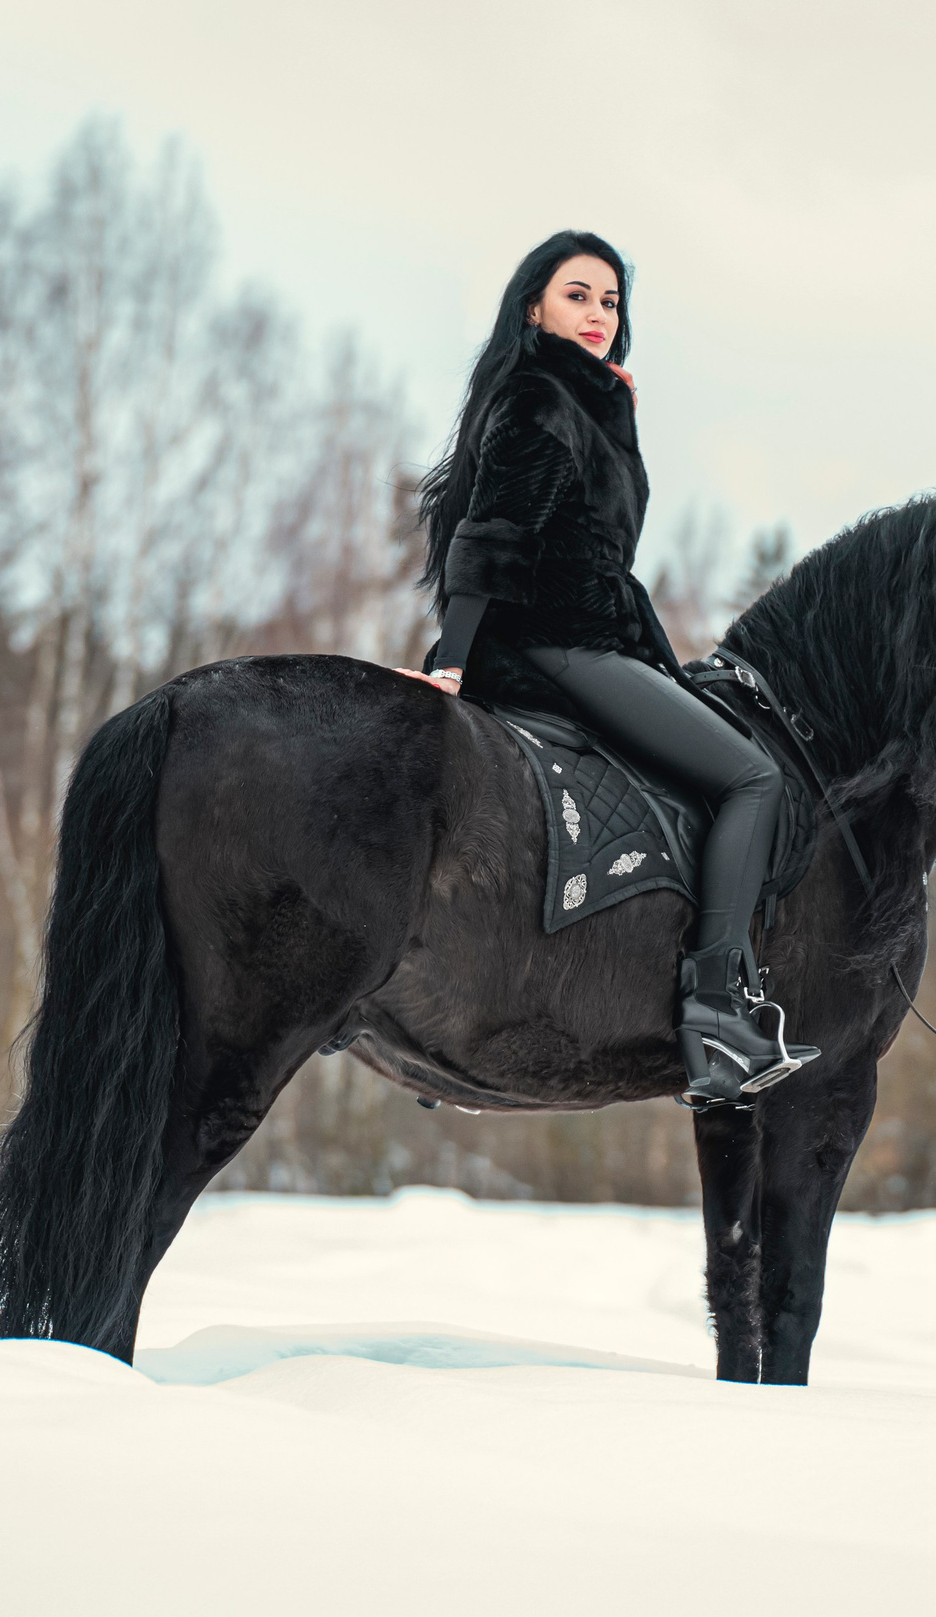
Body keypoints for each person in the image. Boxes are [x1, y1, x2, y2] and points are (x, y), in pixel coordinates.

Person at [401, 230, 817, 1104]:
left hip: (595, 635)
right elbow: (493, 535)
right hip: (559, 645)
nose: (597, 315)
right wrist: (450, 662)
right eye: (577, 295)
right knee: (752, 778)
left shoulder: (586, 400)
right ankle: (714, 1013)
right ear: (533, 307)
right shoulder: (542, 398)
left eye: (610, 301)